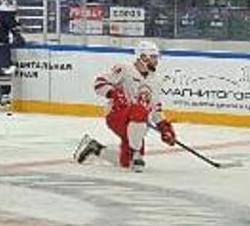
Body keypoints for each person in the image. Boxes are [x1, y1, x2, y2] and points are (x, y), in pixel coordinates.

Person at [73, 41, 177, 171]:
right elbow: (99, 83)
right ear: (143, 57)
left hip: (137, 122)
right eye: (154, 57)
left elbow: (155, 109)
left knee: (127, 163)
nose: (157, 61)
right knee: (138, 109)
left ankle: (95, 149)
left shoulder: (155, 81)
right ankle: (135, 152)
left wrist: (164, 128)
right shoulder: (125, 69)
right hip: (117, 115)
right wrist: (114, 94)